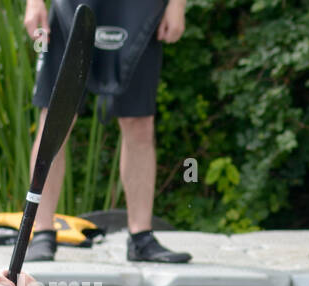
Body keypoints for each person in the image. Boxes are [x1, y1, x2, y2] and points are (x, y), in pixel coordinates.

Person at [23, 0, 191, 263]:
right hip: (70, 8)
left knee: (139, 122)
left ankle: (141, 237)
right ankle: (41, 231)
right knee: (55, 119)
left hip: (139, 10)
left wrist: (177, 5)